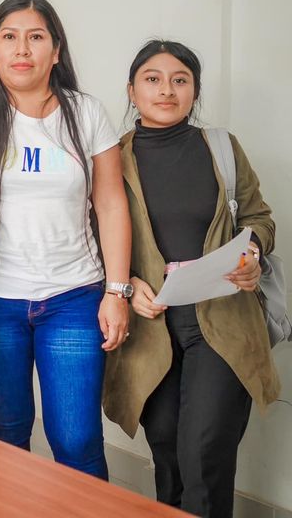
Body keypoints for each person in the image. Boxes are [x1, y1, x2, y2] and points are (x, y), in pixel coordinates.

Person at [102, 40, 279, 518]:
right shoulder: (111, 158)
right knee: (167, 450)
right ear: (132, 90)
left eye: (180, 80)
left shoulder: (221, 148)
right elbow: (93, 237)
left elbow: (259, 218)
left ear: (194, 91)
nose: (167, 90)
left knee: (204, 450)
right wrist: (126, 285)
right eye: (153, 79)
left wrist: (251, 253)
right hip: (150, 326)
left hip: (222, 320)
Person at [0, 0, 131, 479]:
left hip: (73, 297)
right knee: (6, 438)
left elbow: (111, 204)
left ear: (56, 51)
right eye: (9, 37)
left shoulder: (85, 113)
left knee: (76, 440)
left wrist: (117, 291)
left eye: (36, 37)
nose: (22, 49)